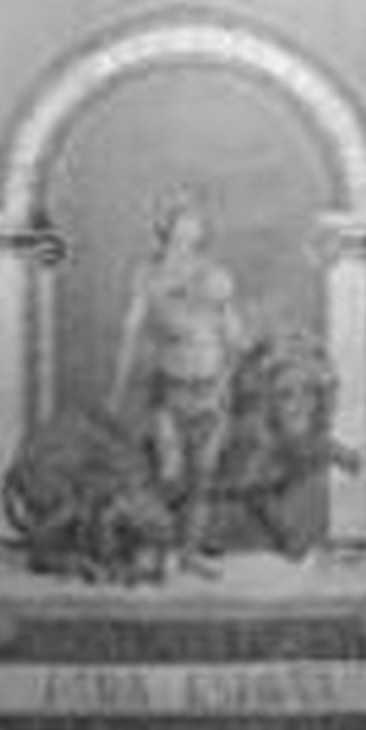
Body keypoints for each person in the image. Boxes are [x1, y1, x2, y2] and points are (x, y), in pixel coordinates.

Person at [109, 188, 247, 566]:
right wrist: (119, 386)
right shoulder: (149, 274)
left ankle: (188, 554)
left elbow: (234, 331)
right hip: (170, 389)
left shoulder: (215, 276)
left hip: (213, 389)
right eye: (181, 224)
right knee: (169, 473)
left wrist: (235, 359)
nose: (189, 232)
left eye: (195, 225)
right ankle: (152, 546)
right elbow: (131, 330)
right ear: (167, 230)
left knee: (203, 478)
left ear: (202, 232)